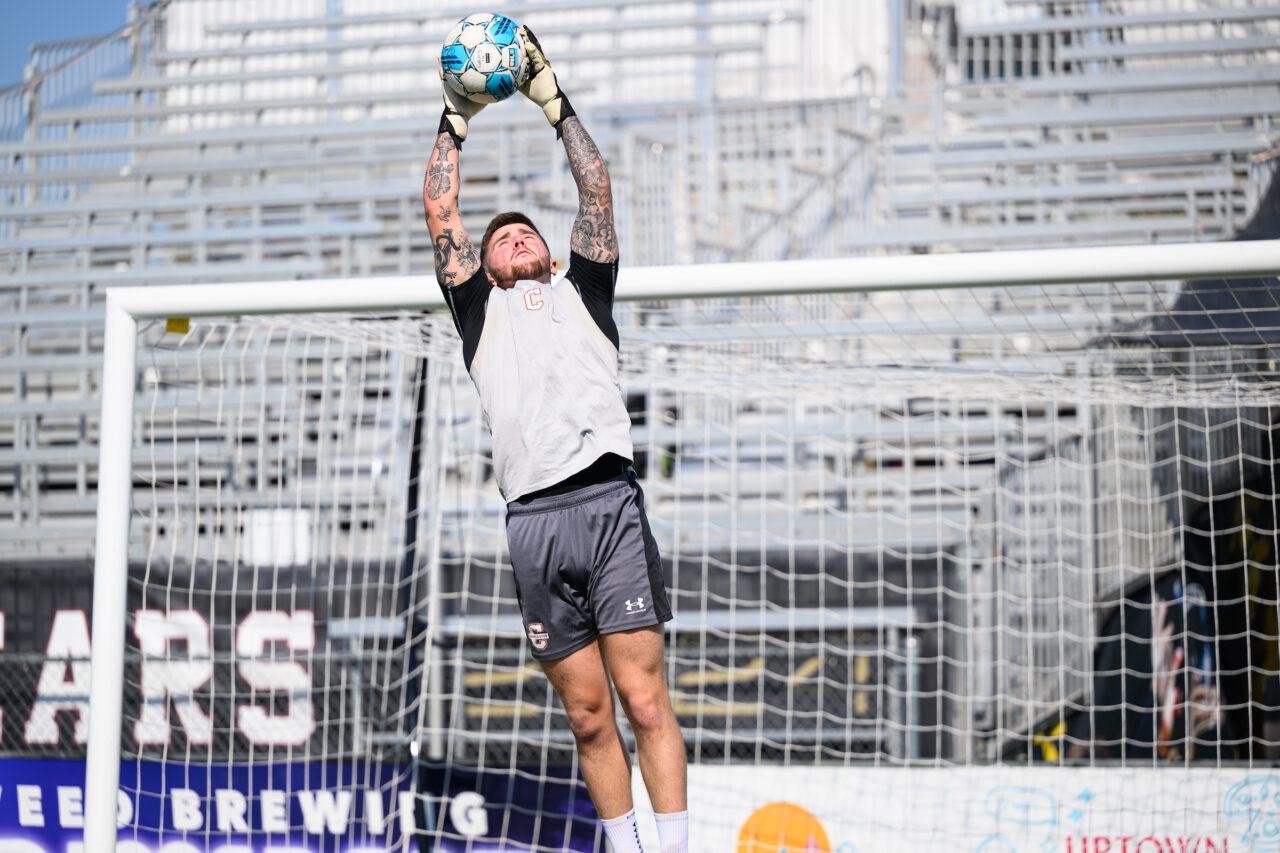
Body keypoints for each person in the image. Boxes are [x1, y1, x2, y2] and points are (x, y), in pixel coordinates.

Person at [422, 27, 689, 853]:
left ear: (545, 250)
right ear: (487, 267)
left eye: (523, 232)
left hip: (608, 503)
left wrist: (551, 99)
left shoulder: (586, 292)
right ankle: (625, 843)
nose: (512, 239)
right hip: (533, 522)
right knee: (587, 714)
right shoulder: (478, 313)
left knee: (645, 701)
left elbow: (596, 186)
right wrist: (454, 117)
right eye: (499, 240)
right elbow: (440, 207)